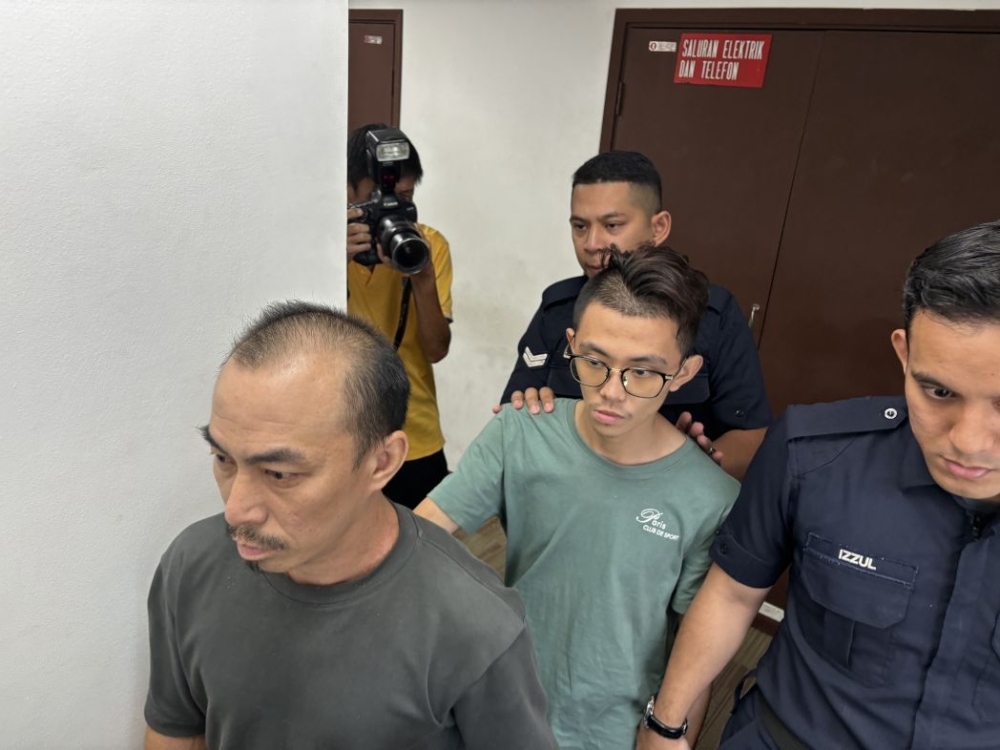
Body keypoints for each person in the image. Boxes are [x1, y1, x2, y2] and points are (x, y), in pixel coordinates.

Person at [641, 219, 1000, 750]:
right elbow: (734, 594)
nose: (969, 442)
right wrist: (666, 727)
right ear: (903, 354)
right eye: (938, 391)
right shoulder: (810, 454)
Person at [142, 302, 557, 750]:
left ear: (382, 462)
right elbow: (176, 732)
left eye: (280, 474)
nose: (237, 511)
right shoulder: (191, 565)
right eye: (223, 459)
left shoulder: (477, 627)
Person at [417, 246, 741, 749]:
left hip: (612, 730)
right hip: (499, 707)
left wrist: (671, 736)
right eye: (595, 361)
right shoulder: (519, 433)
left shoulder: (711, 497)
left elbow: (696, 645)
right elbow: (418, 536)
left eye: (643, 371)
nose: (613, 391)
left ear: (684, 371)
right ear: (570, 344)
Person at [500, 151, 771, 479]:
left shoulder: (712, 314)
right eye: (580, 226)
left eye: (612, 225)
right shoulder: (557, 309)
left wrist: (695, 463)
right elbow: (514, 409)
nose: (592, 243)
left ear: (658, 227)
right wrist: (528, 411)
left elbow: (752, 436)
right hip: (568, 493)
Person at [346, 123, 453, 508]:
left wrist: (421, 277)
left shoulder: (429, 244)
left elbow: (437, 350)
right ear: (347, 194)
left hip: (415, 433)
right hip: (344, 434)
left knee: (421, 552)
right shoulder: (321, 247)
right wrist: (331, 260)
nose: (392, 209)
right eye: (377, 200)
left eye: (404, 196)